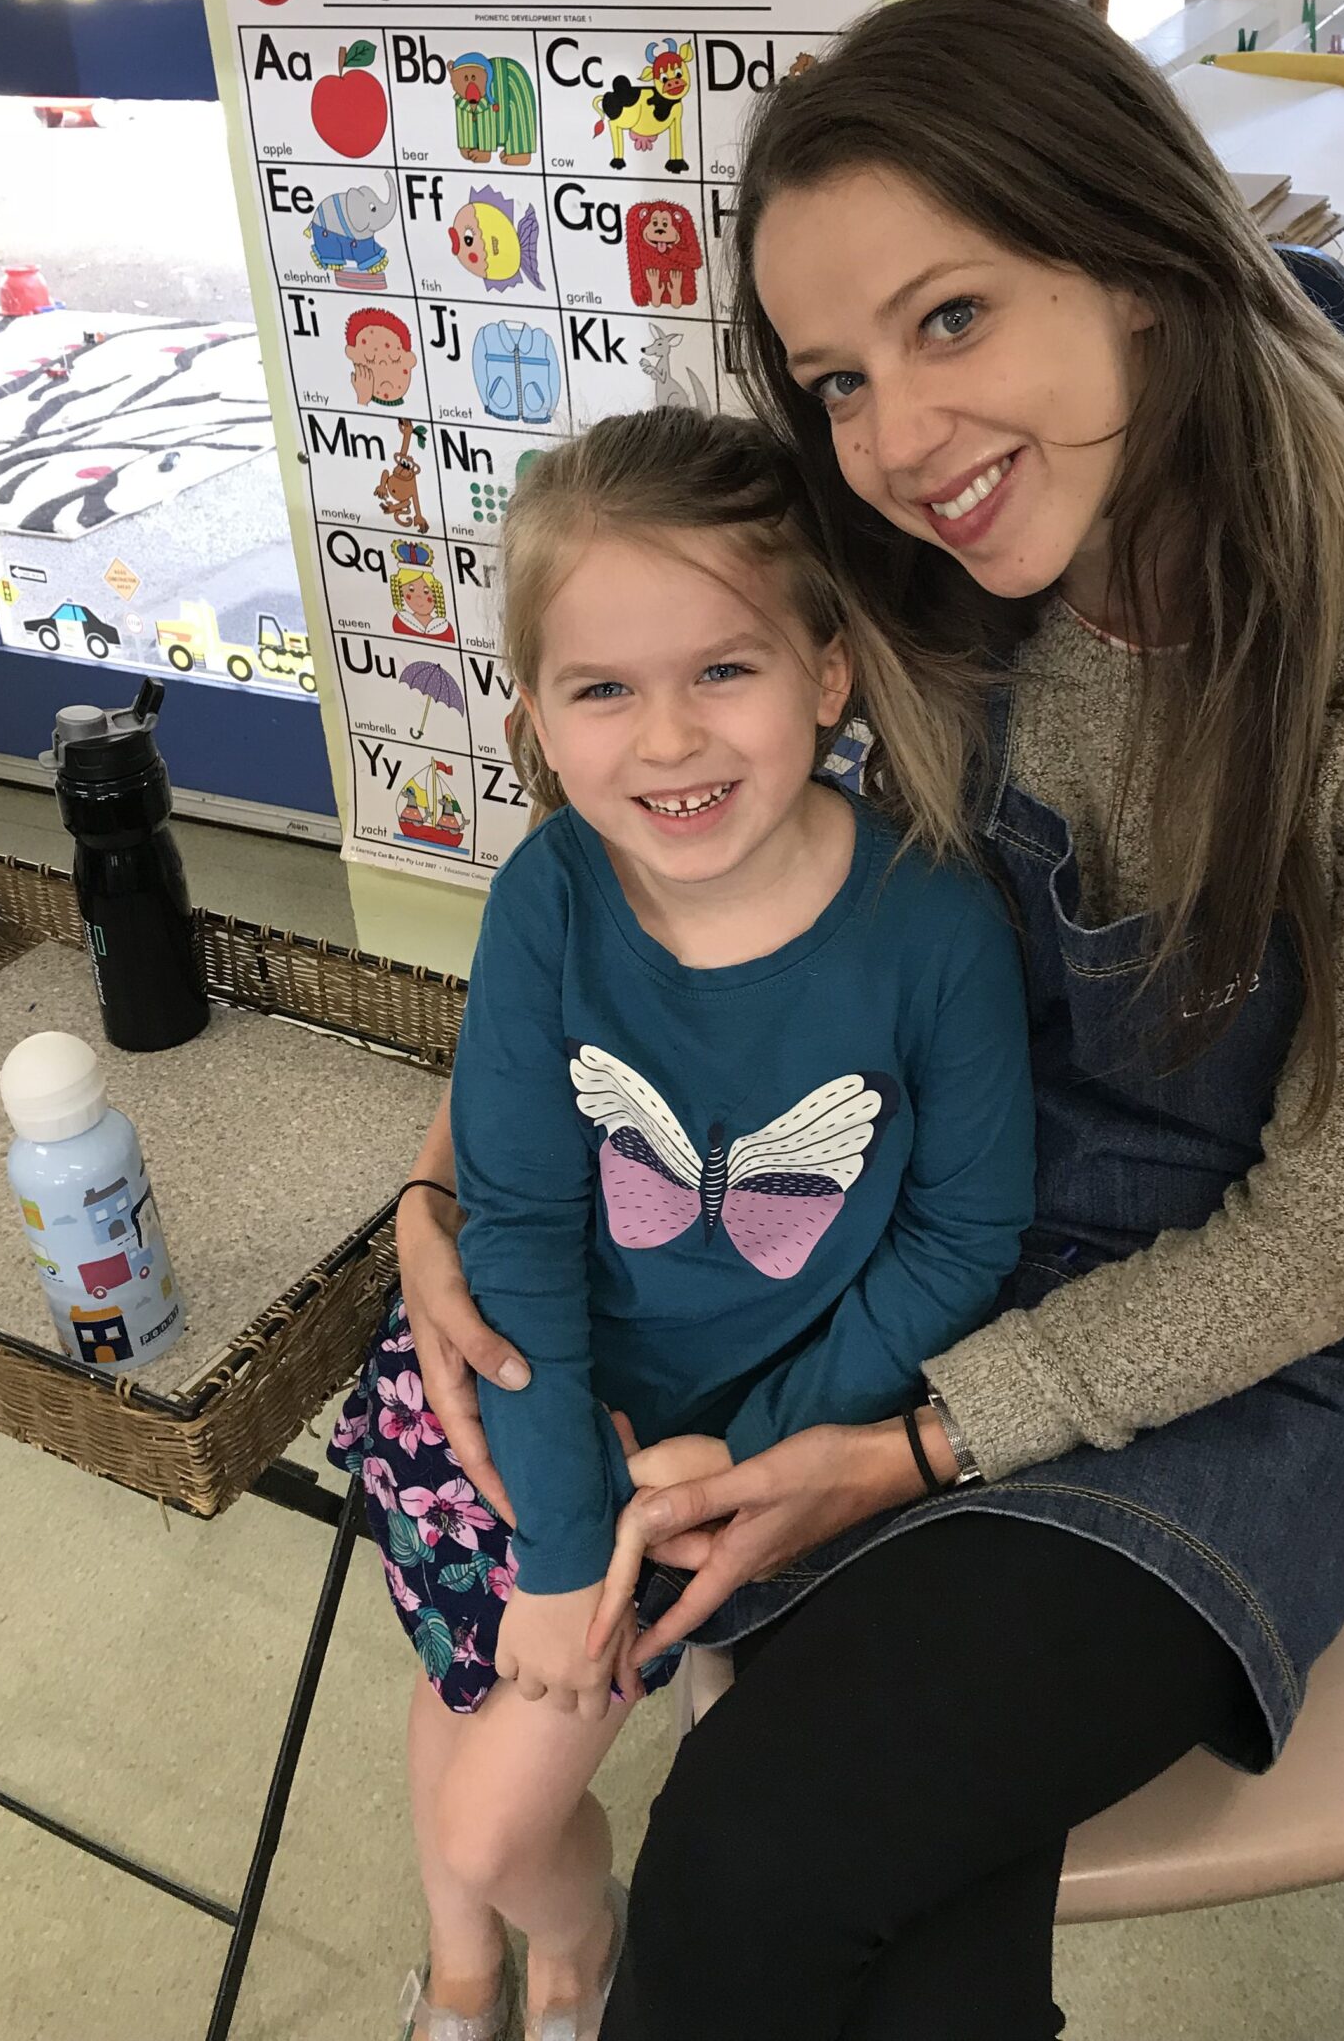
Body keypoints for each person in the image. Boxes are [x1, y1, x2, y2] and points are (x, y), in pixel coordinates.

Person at [389, 0, 1344, 2038]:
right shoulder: (896, 556)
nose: (899, 440)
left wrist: (913, 1444)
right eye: (840, 379)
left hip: (1207, 1374)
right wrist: (441, 1185)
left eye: (953, 319)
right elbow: (639, 887)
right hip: (872, 1268)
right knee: (859, 1914)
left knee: (756, 1858)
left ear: (1142, 259)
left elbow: (1331, 1236)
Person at [331, 405, 1035, 2039]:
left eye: (723, 669)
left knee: (492, 1820)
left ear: (828, 674)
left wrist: (752, 1449)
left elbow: (960, 1236)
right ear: (532, 719)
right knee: (464, 1693)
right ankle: (468, 1969)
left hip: (724, 1447)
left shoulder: (932, 926)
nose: (668, 740)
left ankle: (571, 1944)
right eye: (602, 689)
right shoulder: (548, 896)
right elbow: (516, 1222)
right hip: (528, 1397)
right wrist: (563, 1544)